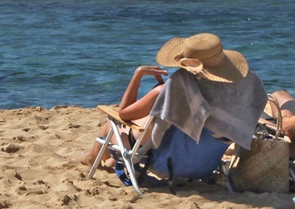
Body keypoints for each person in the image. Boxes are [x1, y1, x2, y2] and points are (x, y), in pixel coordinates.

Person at [81, 32, 250, 168]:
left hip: (164, 159)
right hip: (204, 163)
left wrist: (138, 75)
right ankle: (108, 161)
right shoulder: (224, 97)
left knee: (112, 124)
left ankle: (90, 159)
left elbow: (123, 113)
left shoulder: (165, 91)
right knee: (119, 145)